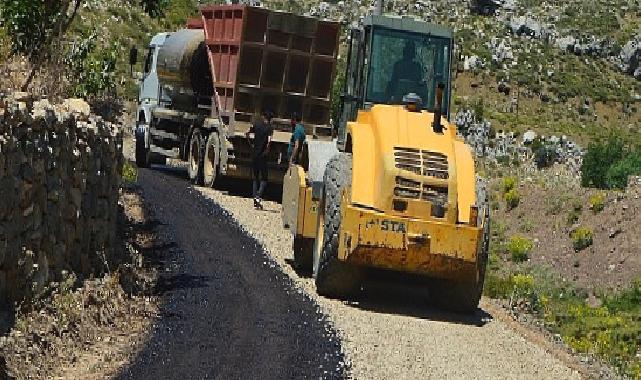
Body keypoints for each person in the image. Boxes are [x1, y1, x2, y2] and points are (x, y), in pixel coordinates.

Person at [246, 110, 273, 209]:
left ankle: (254, 198)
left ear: (263, 117)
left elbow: (247, 133)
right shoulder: (269, 128)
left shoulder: (256, 125)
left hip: (255, 154)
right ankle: (258, 196)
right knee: (264, 178)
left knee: (255, 177)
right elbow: (269, 141)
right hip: (263, 156)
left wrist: (251, 144)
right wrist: (267, 150)